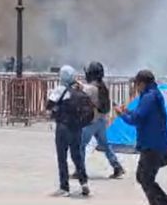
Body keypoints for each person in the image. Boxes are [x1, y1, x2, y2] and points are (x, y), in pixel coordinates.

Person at [116, 70, 167, 205]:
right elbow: (140, 115)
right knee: (144, 177)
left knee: (145, 178)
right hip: (153, 144)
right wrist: (127, 111)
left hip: (152, 145)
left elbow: (136, 119)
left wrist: (121, 115)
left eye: (137, 84)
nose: (136, 87)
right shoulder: (152, 94)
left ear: (142, 83)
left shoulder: (149, 97)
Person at [46, 65, 90, 197]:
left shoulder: (60, 90)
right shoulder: (79, 89)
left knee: (62, 157)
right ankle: (84, 183)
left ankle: (64, 187)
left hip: (63, 127)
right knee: (77, 156)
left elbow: (49, 105)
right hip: (77, 127)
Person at [79, 62, 125, 179]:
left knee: (80, 145)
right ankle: (117, 166)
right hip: (102, 121)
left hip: (91, 122)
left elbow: (81, 90)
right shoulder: (103, 86)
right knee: (105, 145)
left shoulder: (90, 88)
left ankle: (80, 170)